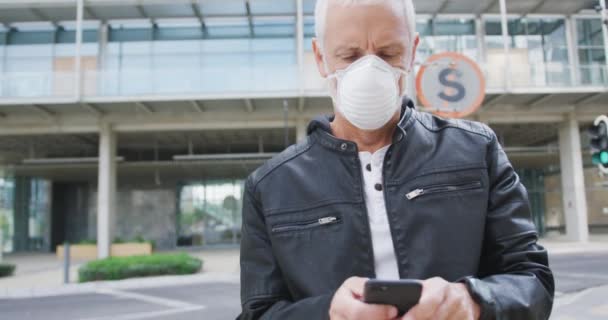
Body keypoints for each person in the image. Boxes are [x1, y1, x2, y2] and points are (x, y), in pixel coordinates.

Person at [238, 0, 554, 319]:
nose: (370, 71)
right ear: (321, 58)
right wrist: (328, 313)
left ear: (412, 51)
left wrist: (473, 301)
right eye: (350, 56)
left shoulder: (476, 150)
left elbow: (533, 281)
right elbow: (259, 312)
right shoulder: (270, 187)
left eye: (388, 53)